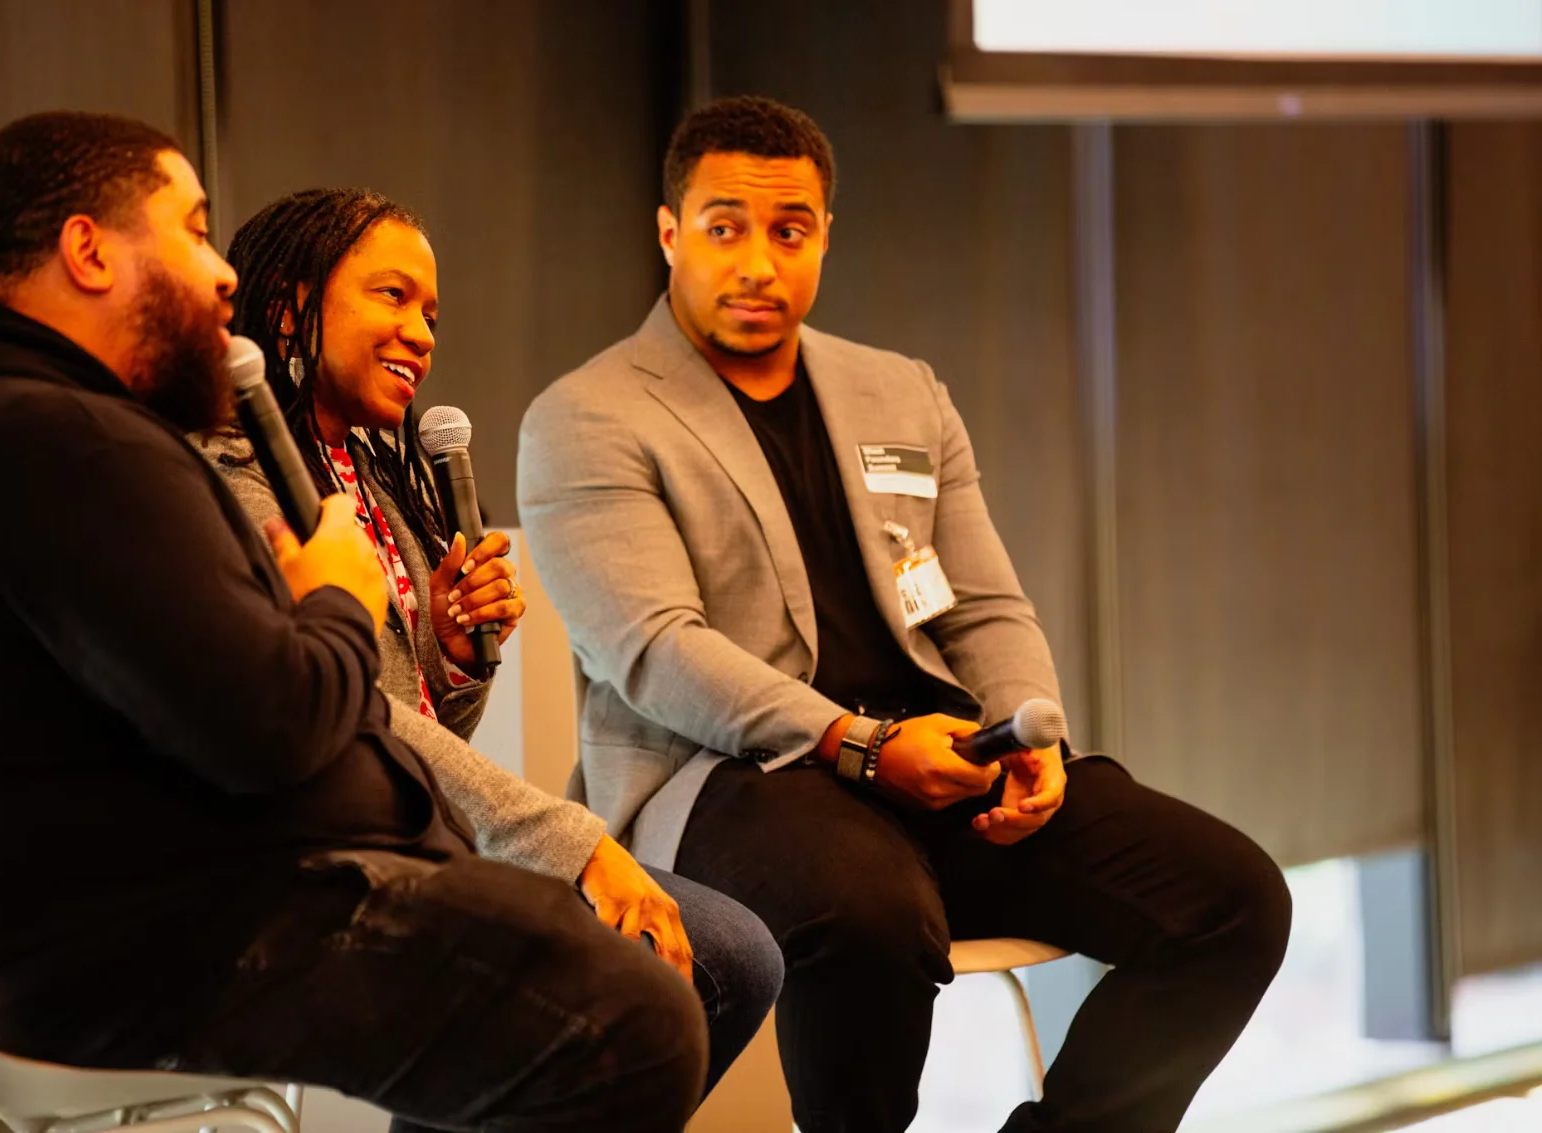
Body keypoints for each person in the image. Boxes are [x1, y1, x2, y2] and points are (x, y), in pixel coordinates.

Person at [0, 110, 706, 1133]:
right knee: (625, 1014)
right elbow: (272, 726)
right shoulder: (53, 440)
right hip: (145, 951)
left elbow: (257, 707)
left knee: (621, 968)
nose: (222, 274)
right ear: (87, 250)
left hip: (145, 918)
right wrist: (336, 594)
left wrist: (445, 654)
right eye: (194, 228)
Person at [518, 95, 1294, 1133]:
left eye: (788, 229)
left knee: (1231, 900)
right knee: (868, 910)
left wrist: (1029, 731)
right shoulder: (588, 415)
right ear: (668, 234)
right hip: (728, 781)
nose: (757, 260)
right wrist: (864, 747)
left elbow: (978, 604)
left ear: (824, 234)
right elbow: (656, 651)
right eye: (723, 227)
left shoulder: (898, 391)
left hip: (936, 761)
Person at [194, 186, 781, 1097]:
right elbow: (352, 721)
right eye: (391, 296)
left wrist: (455, 655)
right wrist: (577, 844)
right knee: (720, 961)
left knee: (731, 955)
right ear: (289, 307)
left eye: (430, 312)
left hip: (413, 831)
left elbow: (417, 723)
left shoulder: (374, 479)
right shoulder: (245, 488)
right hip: (317, 871)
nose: (423, 333)